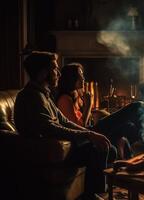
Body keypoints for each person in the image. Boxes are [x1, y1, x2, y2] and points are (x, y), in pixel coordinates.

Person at [14, 51, 115, 199]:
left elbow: (64, 121)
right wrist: (88, 134)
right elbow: (50, 128)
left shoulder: (44, 94)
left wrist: (91, 134)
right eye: (54, 69)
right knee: (98, 149)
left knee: (108, 148)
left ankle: (94, 192)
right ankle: (92, 195)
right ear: (43, 73)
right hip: (47, 152)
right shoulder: (31, 96)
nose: (59, 74)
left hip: (63, 145)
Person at [56, 63, 144, 157]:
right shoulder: (64, 99)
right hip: (86, 135)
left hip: (91, 130)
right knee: (137, 106)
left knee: (129, 127)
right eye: (80, 75)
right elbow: (78, 130)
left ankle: (138, 156)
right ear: (72, 78)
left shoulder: (75, 96)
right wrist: (88, 106)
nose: (83, 78)